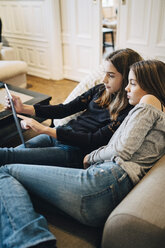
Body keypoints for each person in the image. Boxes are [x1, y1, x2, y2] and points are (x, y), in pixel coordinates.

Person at [0, 59, 164, 248]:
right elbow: (66, 109)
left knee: (6, 169)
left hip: (99, 172)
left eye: (132, 83)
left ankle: (29, 241)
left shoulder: (146, 102)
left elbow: (120, 148)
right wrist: (24, 109)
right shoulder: (106, 93)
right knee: (9, 165)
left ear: (150, 84)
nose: (127, 88)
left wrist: (90, 156)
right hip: (102, 177)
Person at [0, 48, 143, 167]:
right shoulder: (100, 90)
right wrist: (23, 108)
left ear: (127, 78)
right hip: (58, 135)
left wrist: (45, 129)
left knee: (9, 156)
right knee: (11, 154)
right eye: (104, 73)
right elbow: (65, 109)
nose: (104, 79)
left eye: (110, 75)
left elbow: (94, 140)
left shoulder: (129, 111)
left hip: (74, 150)